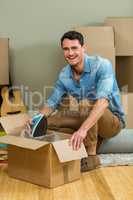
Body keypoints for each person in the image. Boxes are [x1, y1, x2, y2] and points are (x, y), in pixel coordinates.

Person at [31, 31, 125, 171]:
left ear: (83, 48)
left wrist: (82, 130)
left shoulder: (101, 65)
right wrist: (36, 119)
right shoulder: (64, 75)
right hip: (86, 118)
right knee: (49, 122)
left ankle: (91, 156)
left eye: (74, 48)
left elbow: (103, 102)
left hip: (111, 122)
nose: (70, 53)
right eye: (66, 49)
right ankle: (73, 146)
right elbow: (52, 102)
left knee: (86, 104)